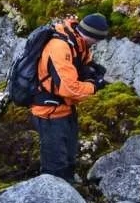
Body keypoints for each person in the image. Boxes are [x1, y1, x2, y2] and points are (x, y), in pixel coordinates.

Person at [31, 13, 109, 182]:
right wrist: (94, 86)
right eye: (97, 40)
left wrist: (91, 71)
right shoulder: (60, 47)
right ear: (92, 36)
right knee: (55, 167)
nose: (97, 44)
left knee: (69, 159)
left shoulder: (78, 43)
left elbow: (83, 65)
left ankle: (68, 189)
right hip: (49, 113)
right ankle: (50, 195)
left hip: (66, 109)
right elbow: (68, 88)